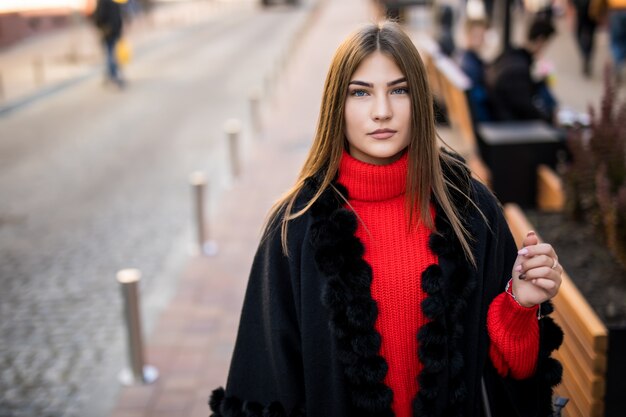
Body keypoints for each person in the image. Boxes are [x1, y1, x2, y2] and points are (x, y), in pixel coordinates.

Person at [209, 21, 564, 417]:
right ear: (336, 107)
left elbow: (510, 376)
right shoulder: (297, 227)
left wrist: (519, 306)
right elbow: (264, 387)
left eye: (399, 90)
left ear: (420, 101)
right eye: (361, 93)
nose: (382, 112)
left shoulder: (469, 209)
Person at [486, 17, 558, 122]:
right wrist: (550, 119)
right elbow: (526, 108)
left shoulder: (510, 55)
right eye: (547, 45)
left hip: (500, 115)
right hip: (507, 126)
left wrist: (539, 83)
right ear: (540, 41)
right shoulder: (519, 69)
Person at [457, 17, 493, 122]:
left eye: (482, 35)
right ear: (467, 36)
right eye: (477, 36)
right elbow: (479, 98)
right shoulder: (471, 66)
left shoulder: (463, 57)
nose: (482, 39)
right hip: (481, 120)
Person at [590, 0, 626, 83]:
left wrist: (597, 13)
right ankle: (619, 61)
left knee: (616, 40)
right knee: (621, 40)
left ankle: (618, 61)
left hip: (615, 12)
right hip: (617, 12)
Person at [93, 0, 125, 88]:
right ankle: (110, 75)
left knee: (110, 54)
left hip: (107, 31)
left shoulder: (102, 2)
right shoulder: (114, 1)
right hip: (115, 30)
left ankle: (114, 76)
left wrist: (99, 25)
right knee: (112, 53)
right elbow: (119, 16)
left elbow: (99, 16)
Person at [569, 0, 598, 77]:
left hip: (589, 12)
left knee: (586, 36)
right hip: (584, 12)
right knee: (584, 36)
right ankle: (586, 55)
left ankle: (586, 55)